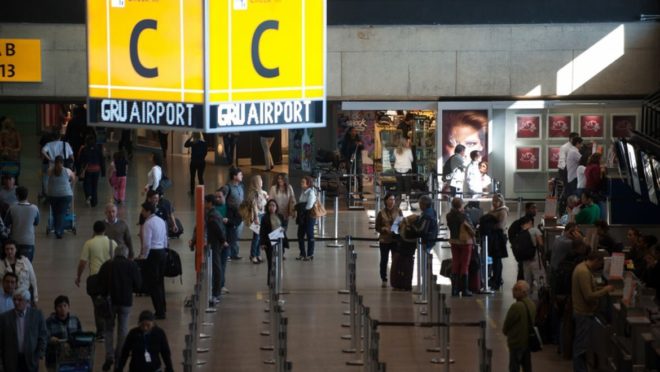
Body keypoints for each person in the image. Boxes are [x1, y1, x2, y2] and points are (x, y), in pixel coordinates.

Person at [98, 244, 142, 371]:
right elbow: (138, 285)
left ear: (115, 254)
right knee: (123, 330)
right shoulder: (132, 265)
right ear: (126, 254)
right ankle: (119, 357)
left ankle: (109, 355)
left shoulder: (107, 265)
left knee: (108, 330)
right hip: (126, 302)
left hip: (109, 302)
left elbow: (100, 283)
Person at [571, 251, 614, 372]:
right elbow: (589, 296)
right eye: (600, 264)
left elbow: (589, 289)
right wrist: (605, 290)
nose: (599, 267)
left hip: (582, 313)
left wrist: (600, 288)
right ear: (596, 260)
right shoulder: (583, 272)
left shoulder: (582, 268)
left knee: (582, 346)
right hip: (583, 314)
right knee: (581, 348)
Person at [75, 221, 116, 340]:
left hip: (95, 278)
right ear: (105, 230)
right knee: (109, 303)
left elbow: (83, 263)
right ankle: (110, 328)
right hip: (108, 278)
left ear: (94, 230)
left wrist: (78, 277)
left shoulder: (89, 243)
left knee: (97, 307)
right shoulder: (112, 243)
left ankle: (100, 333)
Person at [0, 289, 47, 372]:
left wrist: (39, 354)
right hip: (11, 360)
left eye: (20, 300)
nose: (16, 302)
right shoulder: (4, 317)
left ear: (27, 301)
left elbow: (43, 335)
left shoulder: (37, 315)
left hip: (31, 359)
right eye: (14, 299)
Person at [139, 202, 168, 320]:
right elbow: (166, 237)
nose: (142, 213)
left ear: (148, 211)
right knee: (160, 282)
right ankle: (163, 307)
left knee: (153, 284)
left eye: (143, 210)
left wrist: (143, 256)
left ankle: (159, 311)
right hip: (162, 252)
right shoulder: (161, 221)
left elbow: (147, 243)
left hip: (153, 254)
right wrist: (165, 249)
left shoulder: (148, 223)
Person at [502, 280, 536, 372]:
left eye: (516, 289)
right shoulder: (532, 304)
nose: (513, 291)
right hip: (527, 342)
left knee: (514, 367)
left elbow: (507, 325)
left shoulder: (516, 307)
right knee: (527, 367)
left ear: (523, 292)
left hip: (516, 342)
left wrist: (505, 331)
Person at [446, 197, 475, 296]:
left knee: (455, 263)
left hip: (454, 241)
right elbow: (471, 227)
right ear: (461, 205)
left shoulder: (448, 216)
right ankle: (464, 289)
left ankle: (454, 289)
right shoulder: (464, 215)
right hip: (465, 242)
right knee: (464, 264)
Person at [201, 194, 227, 304]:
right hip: (216, 243)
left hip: (215, 244)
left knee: (216, 268)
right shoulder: (215, 213)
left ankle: (216, 293)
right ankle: (216, 291)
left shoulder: (212, 216)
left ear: (210, 203)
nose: (204, 204)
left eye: (205, 202)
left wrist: (222, 241)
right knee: (217, 267)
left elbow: (217, 229)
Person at [45, 295, 83, 369]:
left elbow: (80, 334)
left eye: (65, 306)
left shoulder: (75, 320)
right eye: (59, 306)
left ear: (68, 307)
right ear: (55, 309)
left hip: (72, 357)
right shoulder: (49, 322)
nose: (63, 309)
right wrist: (50, 339)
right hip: (54, 358)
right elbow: (45, 336)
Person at [5, 186, 39, 261]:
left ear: (17, 196)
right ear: (27, 195)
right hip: (29, 241)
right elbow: (36, 222)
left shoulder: (12, 208)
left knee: (15, 263)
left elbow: (6, 223)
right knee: (27, 264)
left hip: (15, 240)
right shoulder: (34, 208)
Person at [375, 192, 402, 288]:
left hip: (395, 239)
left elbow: (402, 224)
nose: (392, 201)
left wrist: (398, 229)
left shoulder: (399, 211)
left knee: (396, 260)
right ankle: (384, 278)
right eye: (390, 199)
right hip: (384, 239)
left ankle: (395, 278)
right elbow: (377, 227)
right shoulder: (381, 213)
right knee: (384, 259)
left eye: (393, 199)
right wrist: (383, 229)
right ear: (386, 201)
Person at [1, 240, 38, 306]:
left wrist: (35, 298)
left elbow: (33, 280)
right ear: (4, 250)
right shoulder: (0, 263)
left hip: (24, 295)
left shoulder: (25, 261)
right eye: (7, 249)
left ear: (16, 249)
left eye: (11, 249)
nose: (9, 251)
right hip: (7, 297)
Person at [259, 199, 288, 286]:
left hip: (279, 242)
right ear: (267, 207)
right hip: (269, 243)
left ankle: (278, 280)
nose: (272, 207)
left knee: (278, 262)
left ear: (276, 207)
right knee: (271, 263)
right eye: (270, 205)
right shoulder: (265, 218)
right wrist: (262, 243)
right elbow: (262, 231)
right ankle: (270, 282)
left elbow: (284, 225)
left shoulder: (280, 216)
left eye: (273, 205)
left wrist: (283, 228)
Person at [517, 216, 545, 301]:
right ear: (530, 222)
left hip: (525, 260)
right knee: (540, 279)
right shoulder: (535, 230)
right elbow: (540, 244)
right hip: (535, 259)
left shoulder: (521, 233)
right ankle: (542, 301)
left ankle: (527, 300)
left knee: (527, 281)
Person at [47, 156, 75, 239]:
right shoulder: (67, 170)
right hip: (66, 195)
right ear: (62, 163)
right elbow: (73, 179)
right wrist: (70, 185)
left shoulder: (50, 170)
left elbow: (47, 178)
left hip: (52, 195)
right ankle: (59, 231)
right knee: (62, 213)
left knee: (55, 213)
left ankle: (57, 229)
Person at [487, 194, 509, 291]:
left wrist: (490, 227)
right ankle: (494, 277)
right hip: (493, 237)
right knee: (493, 260)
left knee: (497, 260)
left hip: (499, 237)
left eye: (496, 201)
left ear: (501, 202)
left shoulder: (503, 211)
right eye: (493, 201)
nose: (494, 203)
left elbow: (501, 226)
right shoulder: (493, 210)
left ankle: (497, 279)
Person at [223, 167, 245, 260]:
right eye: (240, 174)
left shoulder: (241, 186)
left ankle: (234, 253)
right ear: (234, 176)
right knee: (230, 234)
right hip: (231, 214)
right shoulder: (227, 187)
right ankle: (227, 254)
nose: (242, 176)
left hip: (240, 214)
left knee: (237, 234)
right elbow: (222, 200)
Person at [78, 134, 105, 207]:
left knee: (86, 183)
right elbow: (102, 160)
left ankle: (88, 195)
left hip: (88, 169)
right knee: (95, 186)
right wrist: (103, 172)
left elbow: (80, 160)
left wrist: (79, 170)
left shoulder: (84, 149)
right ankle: (94, 202)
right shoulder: (98, 149)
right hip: (96, 169)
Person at [246, 175, 268, 264]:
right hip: (257, 216)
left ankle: (258, 254)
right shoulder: (254, 193)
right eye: (261, 180)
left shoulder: (261, 192)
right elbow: (254, 206)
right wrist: (256, 218)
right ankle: (253, 255)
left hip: (262, 215)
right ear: (257, 182)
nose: (262, 182)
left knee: (260, 237)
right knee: (256, 237)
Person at [295, 176, 317, 261]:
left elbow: (309, 206)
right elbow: (302, 203)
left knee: (309, 234)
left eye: (303, 182)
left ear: (308, 184)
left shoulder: (311, 192)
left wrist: (300, 207)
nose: (301, 183)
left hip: (309, 216)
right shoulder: (303, 191)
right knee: (300, 234)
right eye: (301, 182)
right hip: (302, 216)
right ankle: (302, 253)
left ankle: (310, 254)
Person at [340, 127, 364, 197]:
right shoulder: (346, 140)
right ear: (349, 132)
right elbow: (343, 150)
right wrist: (344, 160)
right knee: (349, 176)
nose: (354, 132)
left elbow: (363, 147)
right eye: (353, 131)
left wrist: (360, 144)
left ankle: (360, 193)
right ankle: (349, 193)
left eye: (355, 131)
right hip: (349, 159)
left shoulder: (358, 139)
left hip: (358, 159)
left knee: (359, 176)